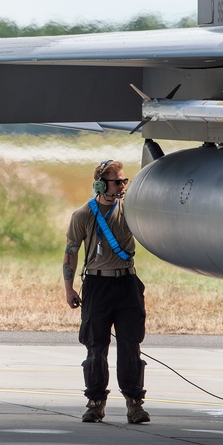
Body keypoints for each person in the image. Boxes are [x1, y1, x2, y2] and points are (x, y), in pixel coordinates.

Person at [63, 159, 149, 424]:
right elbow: (70, 253)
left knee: (130, 345)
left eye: (125, 180)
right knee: (95, 346)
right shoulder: (83, 215)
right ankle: (95, 403)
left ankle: (135, 404)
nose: (123, 185)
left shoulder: (131, 210)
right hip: (97, 286)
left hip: (126, 284)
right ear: (101, 184)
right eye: (117, 181)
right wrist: (69, 289)